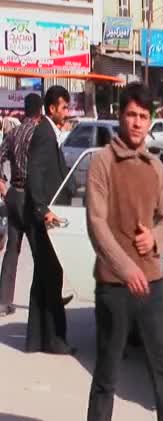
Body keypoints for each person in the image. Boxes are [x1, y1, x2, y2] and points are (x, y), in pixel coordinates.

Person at [82, 82, 163, 421]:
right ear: (119, 116)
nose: (137, 123)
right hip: (114, 284)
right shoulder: (102, 162)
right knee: (107, 375)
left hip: (153, 283)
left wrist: (155, 240)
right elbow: (96, 223)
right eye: (131, 115)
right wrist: (126, 267)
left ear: (151, 121)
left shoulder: (155, 166)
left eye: (144, 116)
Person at [25, 86, 75, 354]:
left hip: (47, 211)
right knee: (52, 276)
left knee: (43, 278)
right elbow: (34, 172)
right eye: (64, 107)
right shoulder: (44, 133)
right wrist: (43, 208)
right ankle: (55, 340)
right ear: (52, 108)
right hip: (43, 217)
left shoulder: (50, 132)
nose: (67, 112)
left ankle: (35, 340)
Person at [0, 94, 45, 317]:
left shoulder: (12, 133)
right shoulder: (38, 134)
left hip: (13, 195)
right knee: (41, 251)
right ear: (40, 111)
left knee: (11, 250)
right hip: (30, 198)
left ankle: (3, 301)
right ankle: (47, 298)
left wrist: (2, 183)